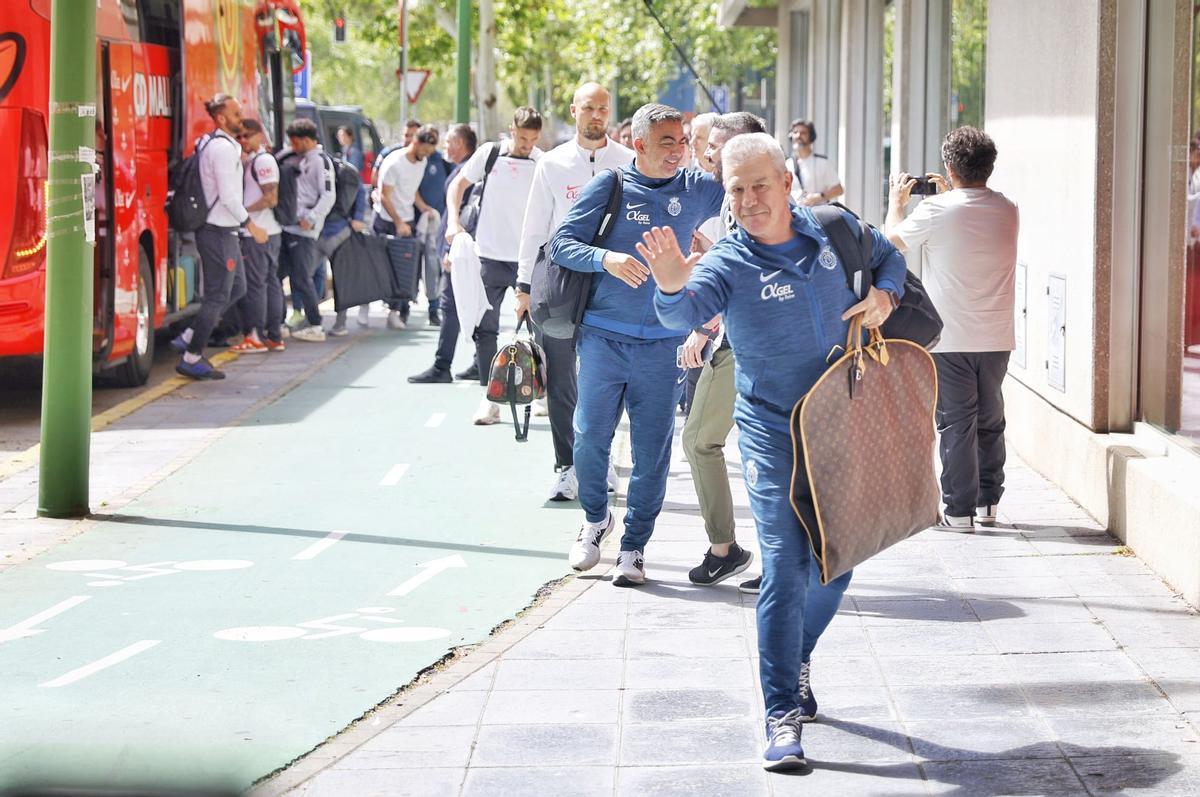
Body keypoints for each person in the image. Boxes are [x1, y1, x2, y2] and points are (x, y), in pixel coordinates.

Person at [641, 132, 907, 770]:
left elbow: (888, 256)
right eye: (737, 189)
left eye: (760, 185)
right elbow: (683, 312)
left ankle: (797, 654)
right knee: (786, 563)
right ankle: (781, 712)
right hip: (770, 429)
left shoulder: (832, 230)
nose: (750, 200)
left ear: (787, 183)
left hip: (841, 417)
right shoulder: (728, 262)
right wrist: (673, 286)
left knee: (840, 557)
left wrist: (884, 296)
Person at [548, 103, 724, 586]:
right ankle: (595, 519)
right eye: (667, 142)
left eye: (683, 141)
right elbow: (562, 244)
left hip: (663, 346)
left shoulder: (697, 188)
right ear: (640, 143)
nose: (678, 151)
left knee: (652, 454)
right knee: (589, 438)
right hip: (604, 337)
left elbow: (749, 197)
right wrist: (607, 259)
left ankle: (633, 547)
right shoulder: (611, 185)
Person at [885, 126, 1019, 532]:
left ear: (949, 166)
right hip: (997, 336)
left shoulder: (935, 212)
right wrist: (949, 196)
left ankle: (958, 511)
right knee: (990, 418)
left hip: (950, 338)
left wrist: (896, 201)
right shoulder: (1008, 207)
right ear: (989, 166)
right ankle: (987, 503)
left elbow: (890, 243)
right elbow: (967, 222)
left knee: (957, 422)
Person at [514, 82, 634, 502]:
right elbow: (534, 227)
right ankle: (567, 466)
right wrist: (523, 286)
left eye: (603, 108)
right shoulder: (552, 163)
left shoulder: (629, 161)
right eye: (588, 108)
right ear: (574, 111)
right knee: (562, 378)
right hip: (560, 284)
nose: (597, 115)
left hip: (614, 283)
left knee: (607, 378)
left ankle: (598, 462)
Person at [409, 108, 544, 428]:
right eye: (523, 138)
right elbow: (456, 187)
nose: (527, 144)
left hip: (528, 260)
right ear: (512, 130)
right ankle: (490, 399)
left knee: (539, 329)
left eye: (534, 139)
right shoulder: (490, 154)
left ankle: (541, 395)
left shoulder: (542, 161)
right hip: (489, 255)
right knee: (486, 330)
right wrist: (453, 223)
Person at [677, 111, 767, 588]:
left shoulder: (759, 202)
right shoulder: (741, 198)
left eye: (714, 145)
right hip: (743, 341)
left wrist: (702, 327)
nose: (706, 153)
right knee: (706, 441)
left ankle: (738, 551)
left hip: (758, 347)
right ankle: (730, 549)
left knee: (713, 443)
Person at [172, 94, 268, 379]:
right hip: (218, 230)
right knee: (217, 296)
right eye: (237, 115)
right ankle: (191, 356)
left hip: (222, 230)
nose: (242, 119)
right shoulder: (224, 150)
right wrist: (251, 224)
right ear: (222, 118)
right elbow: (227, 196)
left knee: (237, 288)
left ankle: (189, 336)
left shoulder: (210, 142)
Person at [373, 125, 440, 329]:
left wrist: (422, 207)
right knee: (388, 269)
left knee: (406, 270)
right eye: (425, 150)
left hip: (407, 220)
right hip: (388, 220)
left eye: (430, 152)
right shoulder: (394, 163)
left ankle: (399, 311)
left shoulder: (422, 162)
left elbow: (411, 191)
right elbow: (384, 195)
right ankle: (390, 309)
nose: (426, 155)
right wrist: (398, 221)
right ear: (416, 143)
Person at [276, 118, 337, 343]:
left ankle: (315, 323)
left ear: (304, 140)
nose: (292, 147)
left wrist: (311, 218)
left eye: (294, 142)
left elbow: (328, 195)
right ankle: (279, 320)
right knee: (278, 275)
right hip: (290, 224)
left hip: (304, 229)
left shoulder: (321, 161)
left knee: (301, 277)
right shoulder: (298, 158)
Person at [229, 118, 285, 354]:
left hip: (259, 233)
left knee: (257, 285)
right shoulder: (257, 160)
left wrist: (242, 211)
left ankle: (256, 336)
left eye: (247, 135)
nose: (242, 140)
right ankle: (273, 335)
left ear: (259, 136)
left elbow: (271, 198)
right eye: (239, 136)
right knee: (270, 283)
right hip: (268, 232)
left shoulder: (263, 161)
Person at [416, 128, 455, 326]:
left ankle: (434, 308)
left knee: (435, 266)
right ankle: (405, 307)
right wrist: (423, 208)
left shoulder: (443, 162)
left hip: (440, 224)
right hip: (419, 222)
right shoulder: (417, 161)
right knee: (419, 267)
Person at [325, 182, 369, 337]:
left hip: (337, 230)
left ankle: (338, 321)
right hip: (324, 229)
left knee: (340, 278)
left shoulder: (344, 172)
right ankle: (313, 320)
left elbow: (359, 189)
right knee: (304, 277)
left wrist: (357, 217)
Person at [785, 119, 843, 207]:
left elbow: (838, 189)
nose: (798, 136)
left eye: (803, 133)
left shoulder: (823, 163)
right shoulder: (786, 165)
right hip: (794, 216)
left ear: (811, 137)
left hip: (817, 215)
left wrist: (819, 196)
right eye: (795, 132)